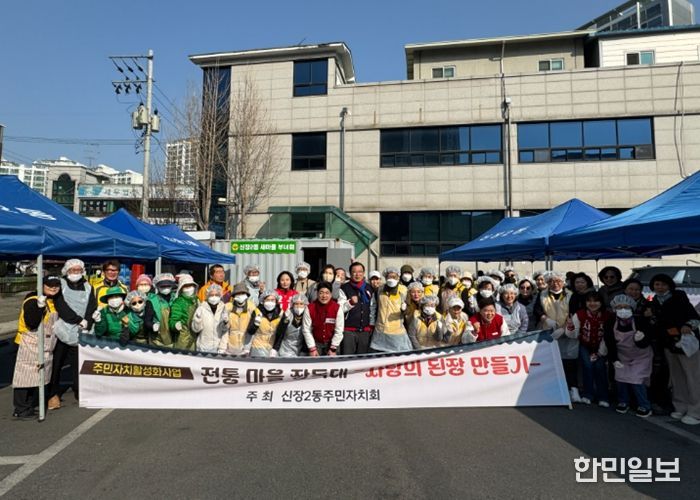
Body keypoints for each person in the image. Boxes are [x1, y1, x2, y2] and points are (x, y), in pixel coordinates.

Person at [649, 273, 700, 425]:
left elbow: (694, 317)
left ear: (670, 285)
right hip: (669, 344)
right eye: (657, 284)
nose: (660, 287)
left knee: (693, 377)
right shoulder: (654, 302)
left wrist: (688, 325)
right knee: (677, 377)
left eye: (663, 284)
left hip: (686, 344)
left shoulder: (679, 297)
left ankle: (696, 411)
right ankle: (680, 406)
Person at [48, 259, 97, 410]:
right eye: (72, 270)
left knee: (79, 364)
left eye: (78, 270)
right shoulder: (61, 284)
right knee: (56, 363)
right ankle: (53, 394)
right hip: (63, 328)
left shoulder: (88, 286)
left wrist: (87, 322)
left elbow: (92, 305)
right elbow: (60, 305)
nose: (76, 272)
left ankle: (80, 391)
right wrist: (77, 319)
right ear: (66, 271)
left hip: (81, 329)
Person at [12, 275, 61, 419]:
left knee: (37, 377)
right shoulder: (32, 300)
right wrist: (39, 308)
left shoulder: (52, 301)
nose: (53, 288)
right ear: (41, 285)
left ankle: (29, 406)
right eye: (49, 285)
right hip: (30, 343)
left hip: (45, 344)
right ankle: (21, 409)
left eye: (56, 285)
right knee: (25, 377)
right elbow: (31, 322)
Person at [604, 294, 653, 417]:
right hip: (622, 355)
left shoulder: (640, 321)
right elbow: (610, 342)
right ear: (614, 309)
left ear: (632, 308)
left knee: (637, 380)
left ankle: (644, 405)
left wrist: (641, 340)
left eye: (626, 307)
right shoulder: (610, 322)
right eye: (619, 307)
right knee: (621, 378)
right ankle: (623, 401)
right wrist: (614, 359)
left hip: (641, 356)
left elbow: (648, 340)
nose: (623, 310)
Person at [534, 271, 579, 402]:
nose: (555, 284)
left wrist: (564, 328)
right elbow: (538, 310)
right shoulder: (542, 295)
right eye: (551, 281)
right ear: (547, 283)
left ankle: (573, 389)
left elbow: (574, 312)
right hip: (549, 333)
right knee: (551, 362)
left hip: (568, 333)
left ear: (563, 282)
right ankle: (553, 390)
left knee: (569, 362)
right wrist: (546, 319)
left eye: (558, 281)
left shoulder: (571, 295)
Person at [568, 291, 610, 407]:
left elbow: (608, 335)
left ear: (601, 302)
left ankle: (603, 396)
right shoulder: (580, 314)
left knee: (600, 368)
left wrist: (600, 352)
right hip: (585, 345)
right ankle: (588, 394)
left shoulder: (607, 315)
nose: (592, 304)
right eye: (589, 301)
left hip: (602, 346)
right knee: (588, 367)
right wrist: (570, 327)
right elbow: (573, 334)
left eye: (596, 301)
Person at [369, 267, 412, 353]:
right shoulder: (379, 290)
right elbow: (373, 307)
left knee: (399, 355)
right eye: (389, 276)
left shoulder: (403, 290)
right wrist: (372, 322)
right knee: (380, 354)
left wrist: (405, 309)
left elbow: (409, 309)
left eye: (394, 277)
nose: (391, 279)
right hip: (380, 330)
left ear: (398, 277)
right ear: (385, 277)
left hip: (397, 331)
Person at [338, 262, 374, 355]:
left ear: (364, 273)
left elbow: (372, 308)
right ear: (350, 274)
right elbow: (339, 308)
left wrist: (371, 325)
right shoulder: (344, 288)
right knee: (347, 358)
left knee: (363, 359)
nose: (357, 274)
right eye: (354, 272)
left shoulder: (369, 288)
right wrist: (350, 303)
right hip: (348, 331)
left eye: (360, 272)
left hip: (365, 330)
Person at [305, 283, 344, 356]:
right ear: (317, 294)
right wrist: (312, 348)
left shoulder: (337, 308)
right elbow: (306, 329)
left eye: (327, 293)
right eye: (321, 293)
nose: (324, 296)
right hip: (315, 343)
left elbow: (339, 330)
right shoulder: (310, 308)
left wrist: (333, 348)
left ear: (331, 294)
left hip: (332, 343)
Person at [219, 283, 256, 355]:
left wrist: (248, 348)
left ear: (246, 295)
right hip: (230, 347)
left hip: (246, 347)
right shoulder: (228, 307)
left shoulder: (252, 307)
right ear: (234, 295)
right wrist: (222, 348)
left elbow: (253, 330)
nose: (240, 295)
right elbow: (224, 330)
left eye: (242, 293)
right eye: (238, 294)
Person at [246, 289, 283, 358]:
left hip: (272, 348)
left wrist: (275, 348)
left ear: (276, 301)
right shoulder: (257, 311)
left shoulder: (280, 313)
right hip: (257, 347)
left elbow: (281, 334)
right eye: (267, 300)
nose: (270, 302)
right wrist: (255, 324)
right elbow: (250, 331)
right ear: (263, 301)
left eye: (272, 300)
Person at [191, 284, 227, 353]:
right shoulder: (201, 308)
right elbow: (196, 330)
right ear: (207, 296)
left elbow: (225, 331)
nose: (214, 297)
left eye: (216, 295)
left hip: (218, 348)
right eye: (211, 295)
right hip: (203, 348)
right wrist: (197, 321)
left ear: (220, 295)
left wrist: (222, 347)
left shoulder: (223, 308)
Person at [144, 273, 176, 348]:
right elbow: (147, 321)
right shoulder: (152, 301)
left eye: (168, 286)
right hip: (157, 339)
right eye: (163, 286)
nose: (166, 288)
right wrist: (152, 326)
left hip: (174, 338)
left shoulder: (175, 298)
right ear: (157, 286)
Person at [169, 275, 199, 351]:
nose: (188, 288)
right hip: (182, 337)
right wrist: (175, 325)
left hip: (195, 336)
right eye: (186, 286)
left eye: (190, 285)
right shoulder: (178, 302)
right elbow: (173, 319)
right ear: (181, 288)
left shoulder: (196, 300)